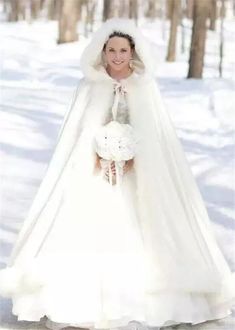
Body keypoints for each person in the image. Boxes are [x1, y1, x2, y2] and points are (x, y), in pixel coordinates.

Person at [0, 18, 234, 330]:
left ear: (133, 51)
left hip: (138, 175)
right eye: (111, 50)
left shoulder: (144, 86)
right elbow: (76, 135)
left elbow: (156, 137)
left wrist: (131, 160)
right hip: (95, 174)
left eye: (123, 50)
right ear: (103, 51)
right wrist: (97, 158)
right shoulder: (90, 85)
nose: (118, 56)